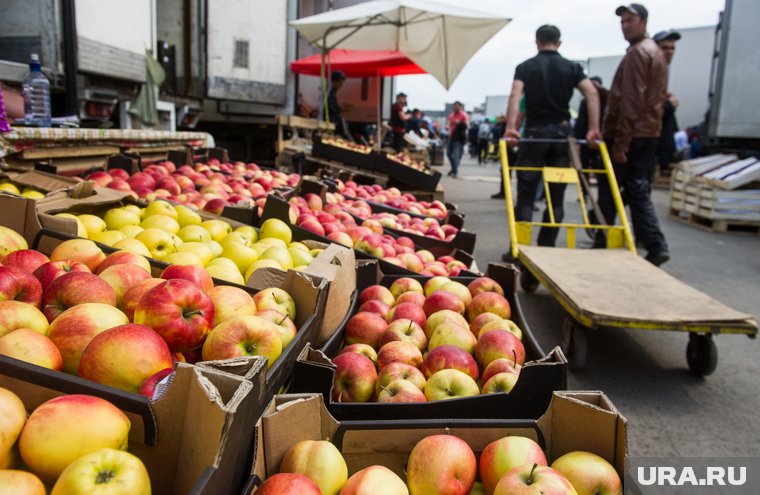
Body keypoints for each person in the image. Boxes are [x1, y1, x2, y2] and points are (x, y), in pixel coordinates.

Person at [502, 24, 601, 252]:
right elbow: (592, 93)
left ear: (536, 42)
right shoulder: (572, 68)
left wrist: (510, 128)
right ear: (559, 43)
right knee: (555, 197)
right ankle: (546, 246)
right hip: (560, 138)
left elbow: (516, 95)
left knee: (526, 196)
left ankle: (520, 248)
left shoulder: (526, 67)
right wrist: (594, 128)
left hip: (534, 137)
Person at [595, 4, 670, 266]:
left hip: (632, 134)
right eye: (622, 21)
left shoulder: (639, 53)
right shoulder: (654, 52)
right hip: (646, 131)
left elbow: (631, 102)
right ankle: (650, 242)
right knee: (636, 188)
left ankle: (606, 239)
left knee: (613, 190)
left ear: (644, 22)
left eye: (630, 20)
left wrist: (621, 143)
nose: (625, 25)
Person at [653, 29, 682, 177]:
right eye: (664, 48)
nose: (669, 52)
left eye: (672, 48)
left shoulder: (662, 70)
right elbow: (647, 108)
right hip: (648, 141)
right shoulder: (651, 70)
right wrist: (669, 105)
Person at [324, 70, 351, 139]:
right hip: (329, 124)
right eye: (340, 83)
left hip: (331, 123)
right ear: (334, 81)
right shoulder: (329, 92)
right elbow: (330, 108)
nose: (341, 86)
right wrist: (341, 108)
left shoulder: (330, 91)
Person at [447, 101, 469, 177]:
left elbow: (467, 125)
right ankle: (454, 168)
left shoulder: (463, 115)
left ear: (460, 107)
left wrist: (458, 122)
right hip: (451, 136)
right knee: (449, 154)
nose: (455, 107)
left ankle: (455, 171)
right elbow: (449, 124)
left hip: (459, 138)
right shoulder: (451, 115)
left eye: (456, 106)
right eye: (454, 106)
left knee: (456, 155)